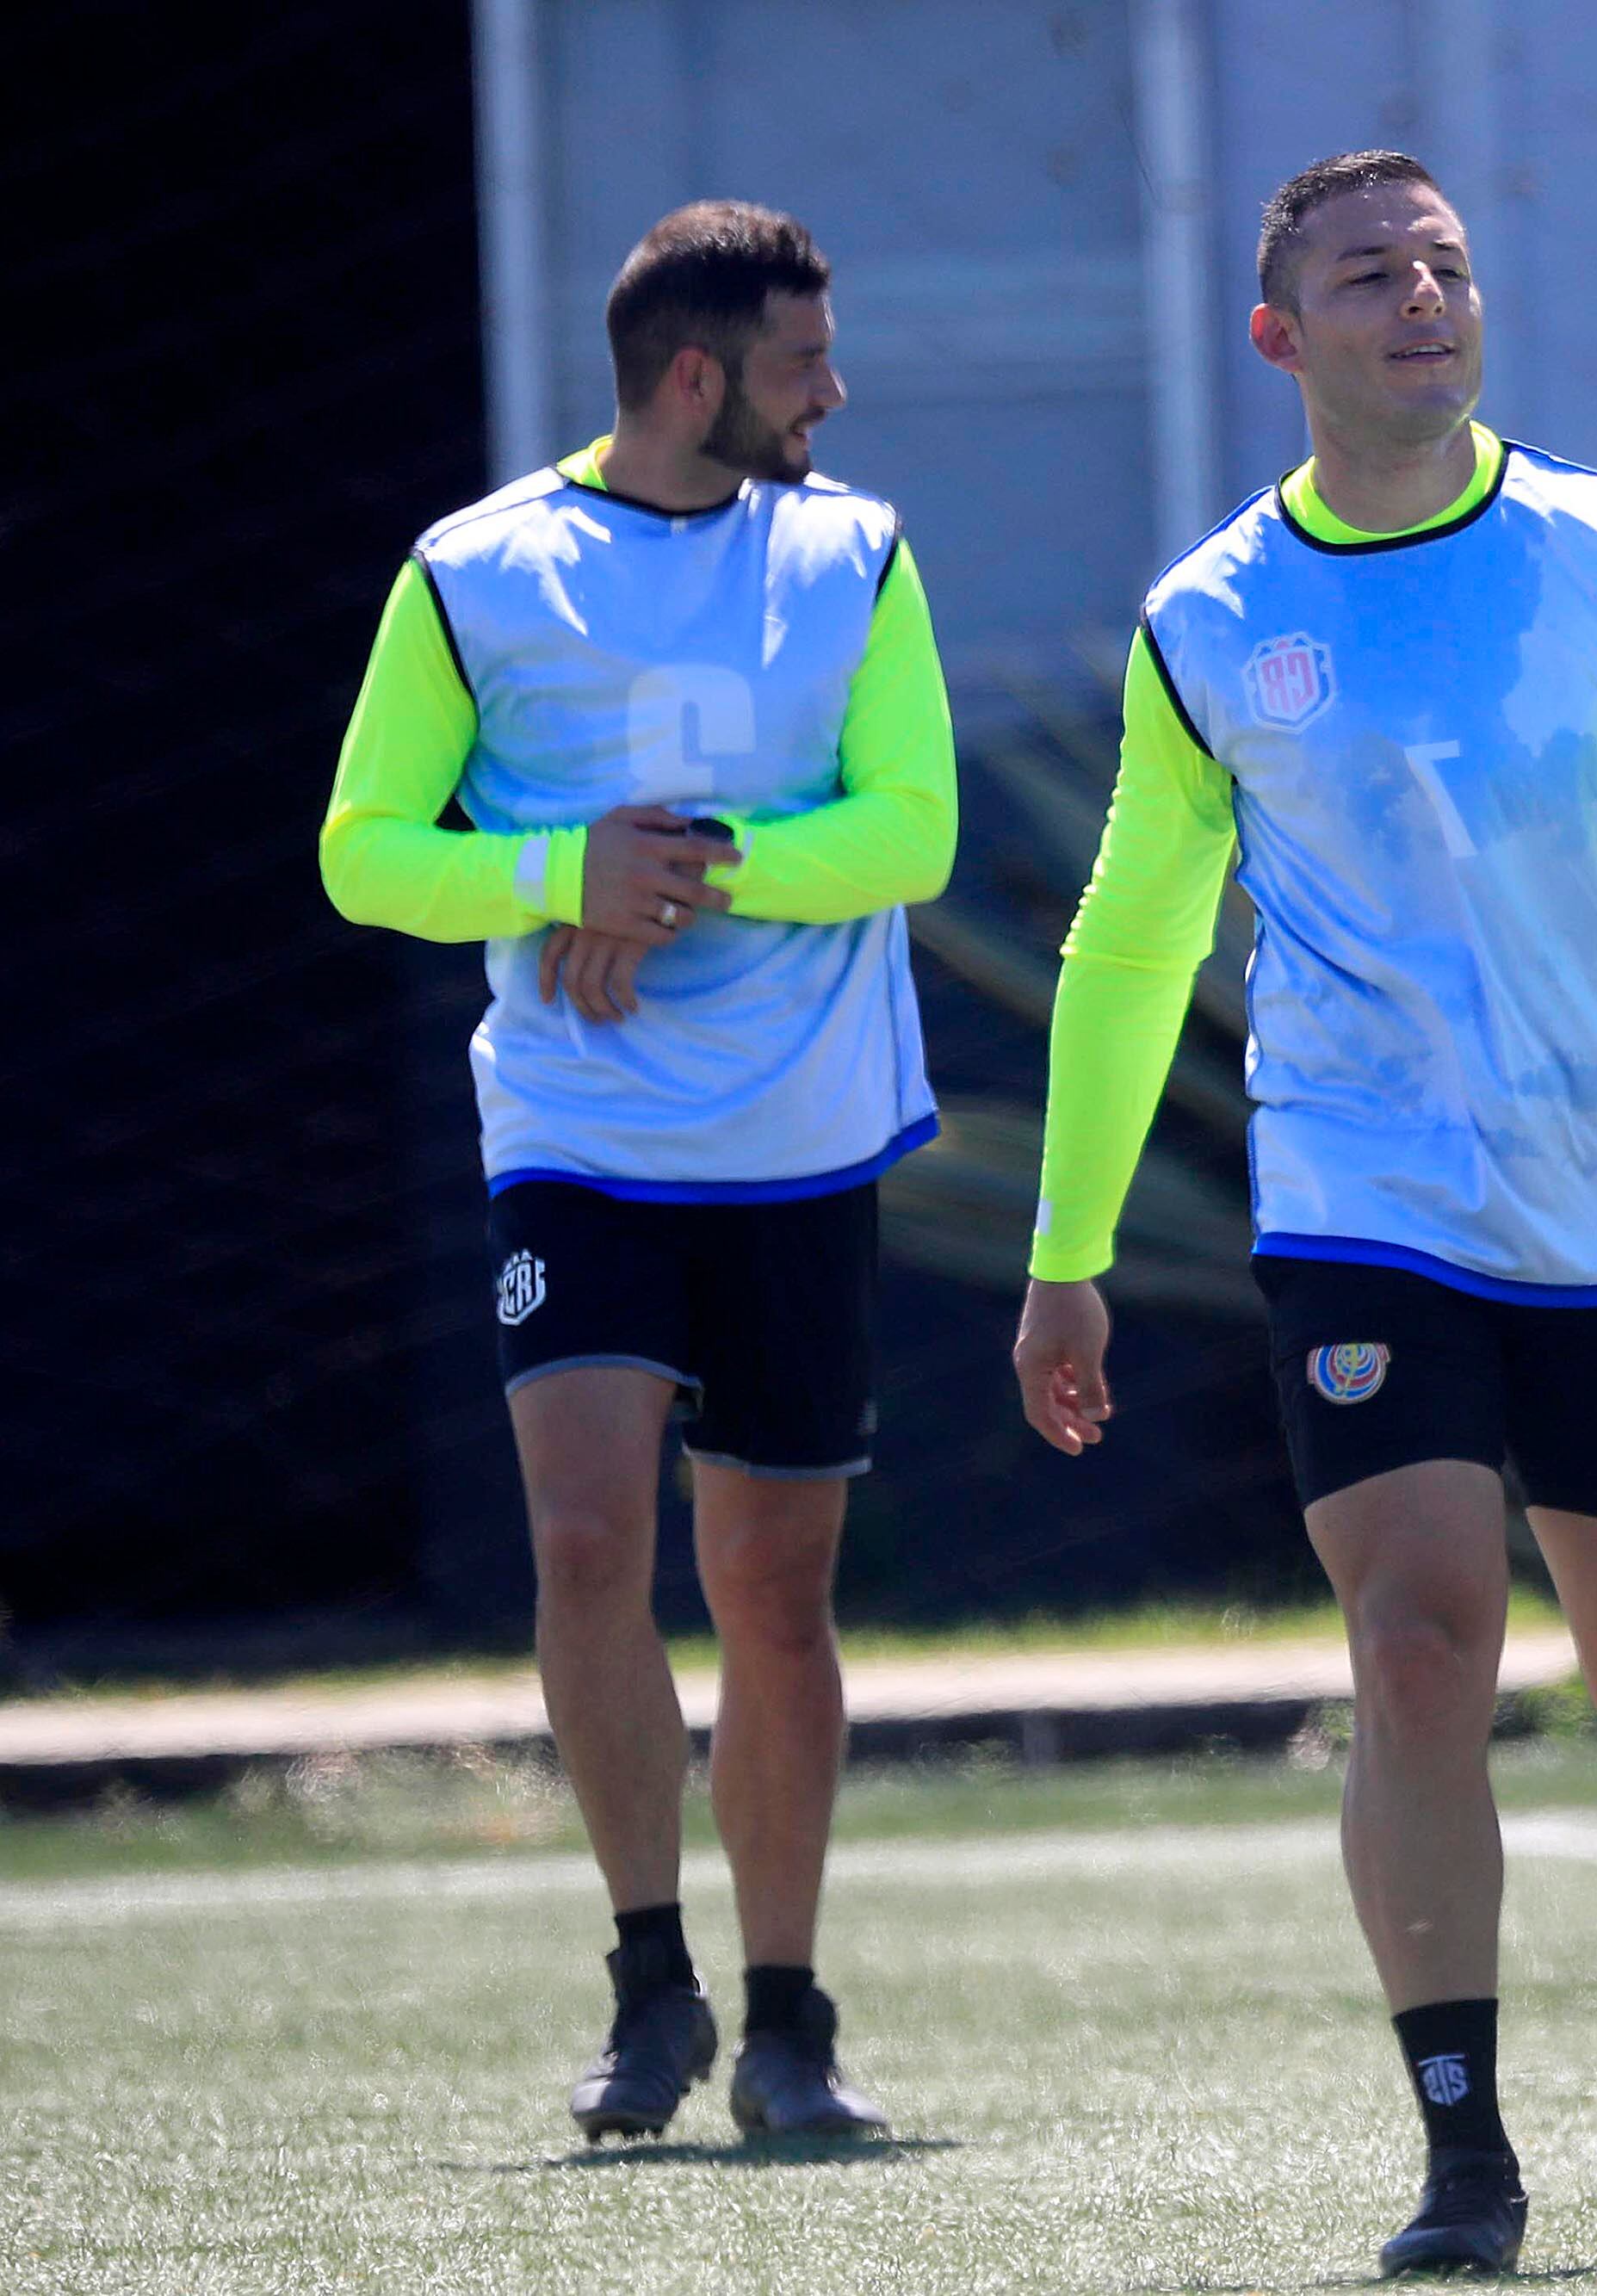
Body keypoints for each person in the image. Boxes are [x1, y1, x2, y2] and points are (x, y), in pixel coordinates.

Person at [1012, 152, 1597, 2273]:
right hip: (1366, 1202)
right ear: (1282, 337)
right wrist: (1067, 1251)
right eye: (1368, 276)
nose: (1421, 299)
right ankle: (1462, 2150)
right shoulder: (1217, 621)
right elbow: (1131, 942)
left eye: (1442, 265)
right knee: (1419, 1646)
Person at [319, 201, 954, 2142]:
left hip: (797, 1143)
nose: (833, 395)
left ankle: (787, 2012)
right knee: (588, 1541)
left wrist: (680, 865)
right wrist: (542, 872)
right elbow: (363, 849)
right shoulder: (474, 571)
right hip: (580, 1139)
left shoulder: (856, 550)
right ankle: (648, 1982)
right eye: (799, 364)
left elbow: (911, 826)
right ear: (697, 378)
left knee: (771, 1585)